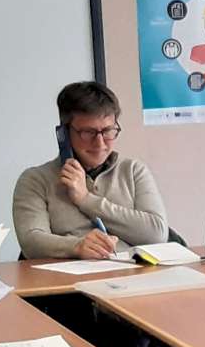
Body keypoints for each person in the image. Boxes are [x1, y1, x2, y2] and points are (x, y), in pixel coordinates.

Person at [14, 81, 171, 260]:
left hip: (130, 274)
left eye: (108, 131)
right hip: (66, 277)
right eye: (88, 132)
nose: (100, 143)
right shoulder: (35, 180)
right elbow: (31, 243)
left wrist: (85, 199)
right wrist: (76, 247)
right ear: (64, 134)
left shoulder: (133, 171)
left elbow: (157, 234)